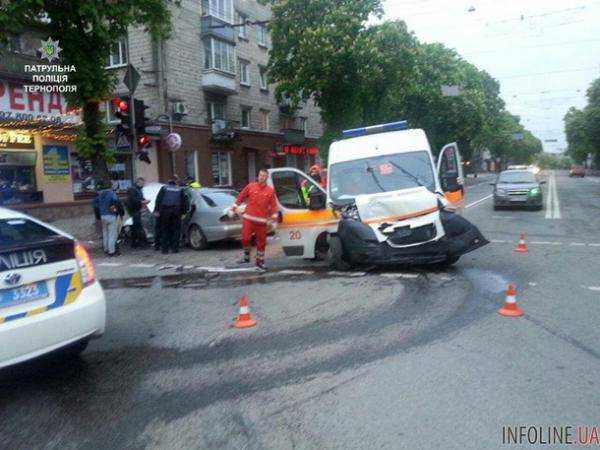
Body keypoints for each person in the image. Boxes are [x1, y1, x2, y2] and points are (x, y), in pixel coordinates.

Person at [229, 168, 278, 270]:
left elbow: (273, 206)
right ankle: (246, 255)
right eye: (260, 175)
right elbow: (240, 197)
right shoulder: (251, 186)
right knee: (245, 238)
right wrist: (233, 208)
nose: (262, 177)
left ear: (267, 177)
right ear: (258, 176)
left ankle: (260, 261)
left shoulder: (270, 190)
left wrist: (274, 218)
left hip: (261, 221)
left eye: (264, 176)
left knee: (261, 242)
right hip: (249, 218)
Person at [154, 177, 187, 254]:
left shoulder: (164, 188)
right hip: (176, 212)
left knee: (165, 230)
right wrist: (184, 212)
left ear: (168, 183)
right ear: (175, 183)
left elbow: (158, 199)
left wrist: (156, 210)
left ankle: (165, 249)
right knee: (176, 230)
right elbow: (184, 202)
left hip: (165, 212)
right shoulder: (180, 189)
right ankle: (175, 249)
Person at [93, 180, 124, 256]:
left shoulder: (99, 195)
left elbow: (95, 206)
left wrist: (98, 216)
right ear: (110, 186)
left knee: (105, 233)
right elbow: (117, 203)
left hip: (102, 216)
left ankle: (106, 249)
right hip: (111, 215)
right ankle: (111, 251)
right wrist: (120, 213)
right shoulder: (112, 194)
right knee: (112, 234)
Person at [126, 177, 149, 248]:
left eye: (143, 183)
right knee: (138, 227)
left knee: (134, 227)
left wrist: (144, 200)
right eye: (142, 183)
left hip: (137, 210)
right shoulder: (133, 189)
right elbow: (133, 200)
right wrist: (142, 202)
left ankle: (134, 243)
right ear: (138, 182)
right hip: (134, 210)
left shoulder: (139, 190)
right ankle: (141, 243)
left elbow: (140, 198)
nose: (143, 184)